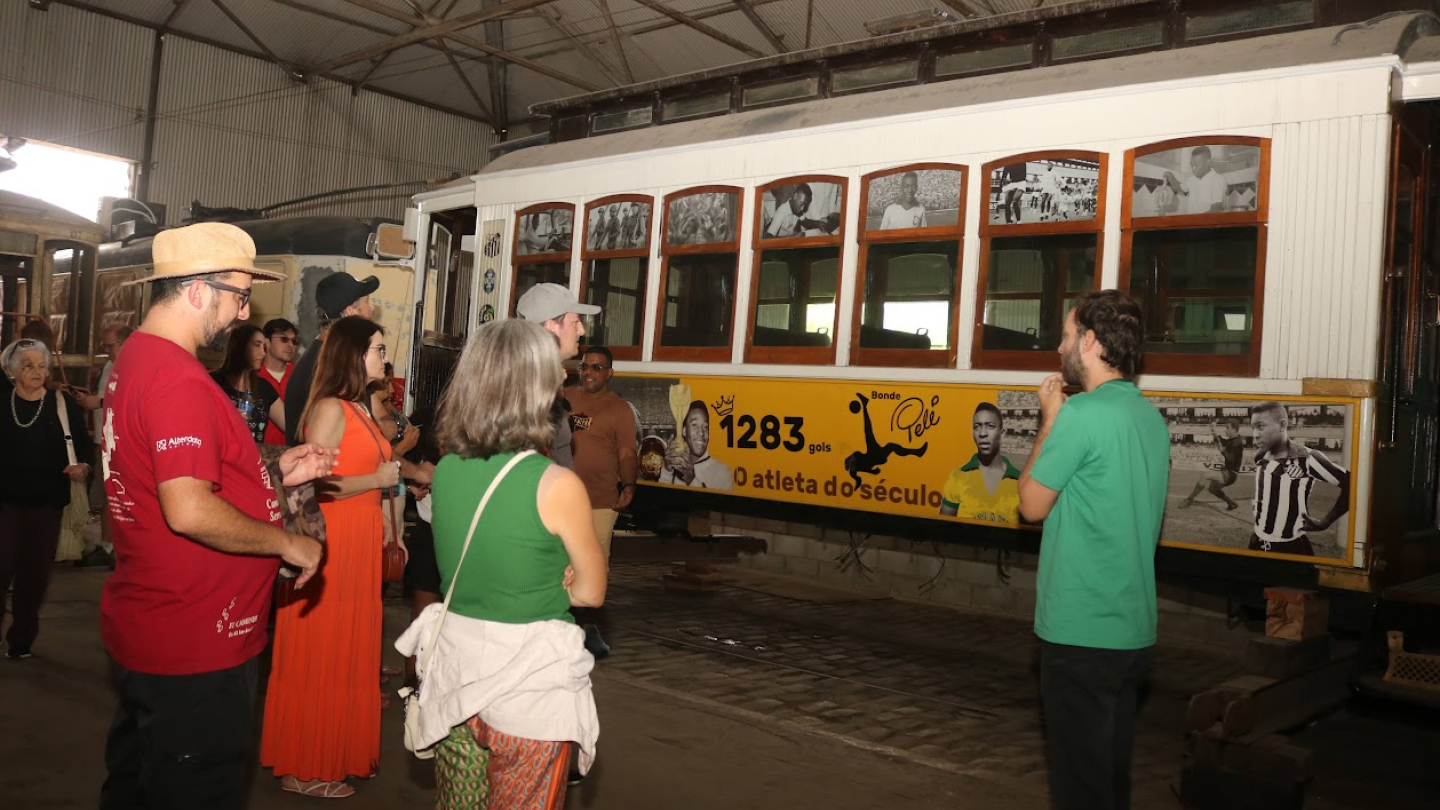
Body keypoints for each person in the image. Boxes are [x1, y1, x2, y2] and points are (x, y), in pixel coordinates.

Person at [98, 222, 331, 810]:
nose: (243, 311)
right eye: (239, 294)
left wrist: (276, 472)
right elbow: (189, 509)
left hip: (156, 625)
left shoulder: (137, 358)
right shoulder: (178, 378)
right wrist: (286, 542)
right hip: (195, 642)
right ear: (199, 292)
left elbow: (175, 476)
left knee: (138, 783)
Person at [395, 318, 606, 810]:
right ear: (533, 387)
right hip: (527, 692)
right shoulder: (557, 485)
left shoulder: (446, 471)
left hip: (455, 679)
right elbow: (591, 592)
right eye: (554, 372)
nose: (562, 380)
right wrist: (561, 579)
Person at [1017, 290, 1170, 810]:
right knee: (1109, 776)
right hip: (1130, 629)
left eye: (1064, 335)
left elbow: (1031, 504)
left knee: (1079, 785)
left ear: (1088, 340)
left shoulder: (1080, 415)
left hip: (1081, 627)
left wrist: (1050, 419)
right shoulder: (1149, 418)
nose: (1058, 347)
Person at [261, 316, 402, 799]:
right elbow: (310, 482)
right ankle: (302, 764)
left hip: (360, 537)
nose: (385, 357)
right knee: (321, 648)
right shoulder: (330, 408)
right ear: (354, 354)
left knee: (351, 648)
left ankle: (333, 753)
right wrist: (376, 484)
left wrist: (381, 513)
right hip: (333, 540)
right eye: (379, 349)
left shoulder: (360, 408)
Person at [0, 338, 92, 659]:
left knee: (35, 577)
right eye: (27, 366)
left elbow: (83, 446)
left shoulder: (62, 403)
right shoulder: (2, 403)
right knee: (2, 568)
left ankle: (21, 641)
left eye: (41, 365)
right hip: (6, 504)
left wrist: (83, 467)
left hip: (47, 506)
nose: (36, 371)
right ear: (12, 371)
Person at [563, 345, 638, 658]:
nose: (589, 373)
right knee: (558, 562)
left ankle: (589, 629)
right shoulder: (564, 398)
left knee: (594, 565)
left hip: (600, 501)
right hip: (561, 499)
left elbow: (626, 452)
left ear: (609, 373)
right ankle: (560, 626)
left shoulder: (619, 409)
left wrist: (629, 484)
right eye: (585, 367)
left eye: (597, 367)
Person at [284, 271, 378, 446]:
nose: (371, 309)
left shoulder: (325, 356)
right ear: (351, 313)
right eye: (367, 302)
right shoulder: (327, 365)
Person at [516, 282, 601, 470]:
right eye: (575, 322)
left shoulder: (548, 385)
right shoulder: (523, 388)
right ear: (552, 326)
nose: (582, 331)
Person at [1247, 402, 1350, 556]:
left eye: (1260, 426)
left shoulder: (1307, 458)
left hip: (1290, 546)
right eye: (1253, 427)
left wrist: (1326, 521)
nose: (1255, 434)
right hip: (1257, 541)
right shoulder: (1261, 454)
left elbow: (1354, 484)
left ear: (1282, 425)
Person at [79, 323, 133, 568]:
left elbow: (129, 399)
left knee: (121, 498)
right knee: (106, 497)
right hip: (104, 440)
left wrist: (97, 402)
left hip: (122, 443)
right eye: (105, 345)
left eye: (110, 345)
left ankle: (122, 549)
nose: (106, 350)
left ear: (125, 343)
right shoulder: (111, 366)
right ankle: (107, 545)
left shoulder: (134, 366)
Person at [939, 402, 1020, 524]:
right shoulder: (958, 477)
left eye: (990, 426)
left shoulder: (1020, 481)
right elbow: (942, 529)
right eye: (977, 427)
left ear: (1002, 433)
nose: (982, 433)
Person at [211, 323, 283, 444]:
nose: (263, 353)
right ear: (240, 347)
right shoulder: (214, 381)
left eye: (264, 347)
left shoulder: (264, 387)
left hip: (254, 458)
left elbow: (290, 425)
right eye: (257, 345)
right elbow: (195, 422)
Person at [660, 400, 732, 489]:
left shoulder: (723, 472)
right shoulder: (673, 466)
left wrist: (691, 478)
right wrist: (667, 470)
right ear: (684, 430)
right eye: (694, 425)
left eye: (705, 427)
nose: (701, 433)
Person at [1181, 420, 1244, 511]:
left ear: (1234, 429)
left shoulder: (1237, 443)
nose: (1225, 430)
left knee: (1205, 475)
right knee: (1212, 489)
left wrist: (1222, 450)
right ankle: (1231, 503)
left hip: (1230, 474)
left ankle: (1189, 500)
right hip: (1227, 472)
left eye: (1227, 428)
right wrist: (1214, 432)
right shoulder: (1233, 440)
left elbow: (1231, 459)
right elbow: (1221, 441)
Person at [259, 318, 298, 446]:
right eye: (284, 339)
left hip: (294, 453)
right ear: (267, 342)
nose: (290, 345)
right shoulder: (254, 376)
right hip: (260, 454)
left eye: (294, 340)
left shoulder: (301, 375)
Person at [1164, 145, 1228, 215]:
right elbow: (1179, 189)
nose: (1193, 169)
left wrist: (1196, 221)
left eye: (1196, 165)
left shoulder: (1218, 180)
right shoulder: (1192, 179)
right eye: (1192, 165)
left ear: (1207, 162)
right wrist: (1170, 177)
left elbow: (1215, 210)